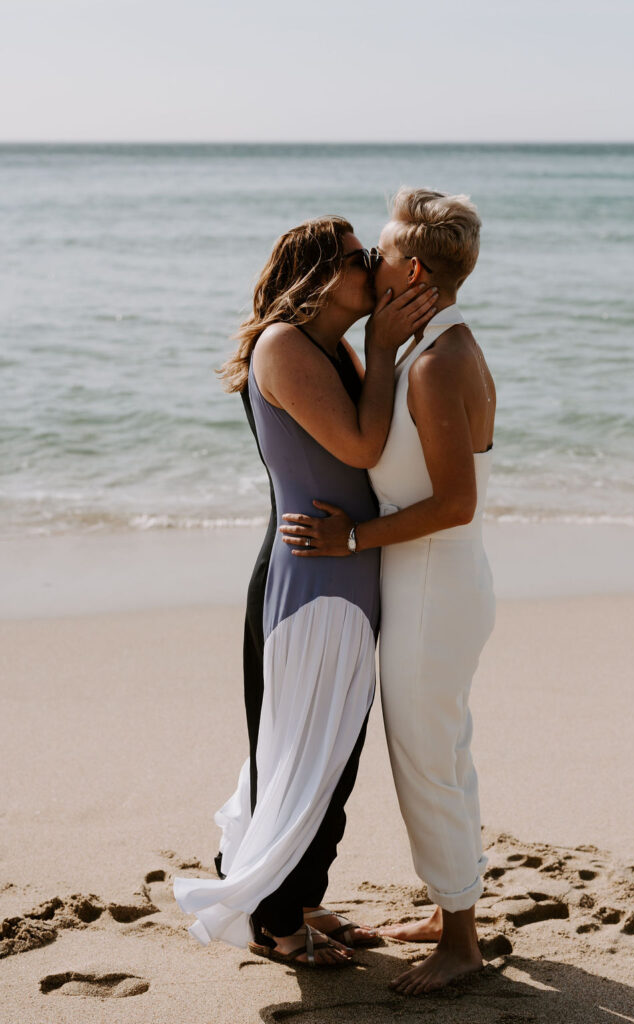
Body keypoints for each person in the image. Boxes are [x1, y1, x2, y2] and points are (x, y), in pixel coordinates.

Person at [173, 215, 438, 967]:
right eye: (362, 258)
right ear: (323, 275)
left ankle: (305, 900)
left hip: (344, 571)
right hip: (309, 580)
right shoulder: (285, 345)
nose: (375, 269)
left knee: (334, 755)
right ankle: (273, 923)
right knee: (301, 753)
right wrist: (386, 348)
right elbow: (360, 446)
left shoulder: (332, 347)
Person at [279, 189, 495, 993]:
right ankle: (452, 909)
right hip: (432, 583)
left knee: (425, 762)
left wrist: (350, 540)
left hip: (435, 587)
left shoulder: (438, 363)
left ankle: (462, 944)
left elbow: (454, 503)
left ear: (409, 268)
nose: (366, 263)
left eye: (374, 252)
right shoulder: (423, 345)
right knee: (447, 750)